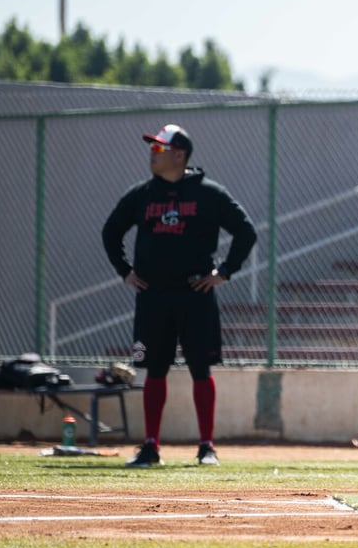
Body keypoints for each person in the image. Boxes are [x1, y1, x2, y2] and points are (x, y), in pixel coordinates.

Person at [102, 124, 258, 468]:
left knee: (201, 369)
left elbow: (246, 231)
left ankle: (206, 447)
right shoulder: (142, 195)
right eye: (152, 148)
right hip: (153, 295)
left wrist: (224, 272)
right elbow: (110, 231)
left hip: (195, 294)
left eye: (159, 149)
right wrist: (125, 271)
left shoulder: (209, 194)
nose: (152, 154)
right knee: (154, 370)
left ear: (179, 154)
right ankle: (151, 446)